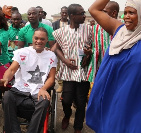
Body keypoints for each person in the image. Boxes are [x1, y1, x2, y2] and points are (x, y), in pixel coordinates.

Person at [86, 0, 141, 133]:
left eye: (132, 13)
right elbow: (94, 9)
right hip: (110, 94)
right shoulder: (118, 29)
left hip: (134, 99)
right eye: (125, 12)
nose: (126, 16)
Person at [3, 27, 57, 133]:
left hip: (38, 90)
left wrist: (44, 88)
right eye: (36, 38)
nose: (39, 41)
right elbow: (12, 70)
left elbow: (51, 78)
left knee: (44, 101)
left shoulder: (51, 56)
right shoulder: (22, 52)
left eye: (42, 39)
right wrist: (5, 78)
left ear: (46, 40)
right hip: (20, 89)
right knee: (7, 97)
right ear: (32, 38)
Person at [52, 4, 92, 133]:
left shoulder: (89, 30)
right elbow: (55, 48)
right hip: (68, 71)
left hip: (83, 72)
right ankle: (67, 115)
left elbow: (94, 47)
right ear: (72, 16)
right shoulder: (61, 32)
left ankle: (78, 127)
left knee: (81, 102)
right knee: (66, 100)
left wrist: (89, 53)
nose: (84, 15)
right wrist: (64, 60)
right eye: (81, 13)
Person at [86, 1, 119, 96]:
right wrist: (88, 51)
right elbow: (89, 45)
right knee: (94, 97)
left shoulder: (123, 29)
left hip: (115, 72)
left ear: (114, 13)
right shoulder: (93, 29)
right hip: (98, 72)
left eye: (103, 11)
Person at [52, 6, 70, 93]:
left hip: (69, 49)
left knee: (67, 67)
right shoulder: (55, 24)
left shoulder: (71, 23)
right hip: (58, 49)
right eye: (63, 12)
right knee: (58, 67)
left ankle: (67, 84)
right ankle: (60, 84)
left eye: (66, 13)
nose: (64, 14)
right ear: (60, 13)